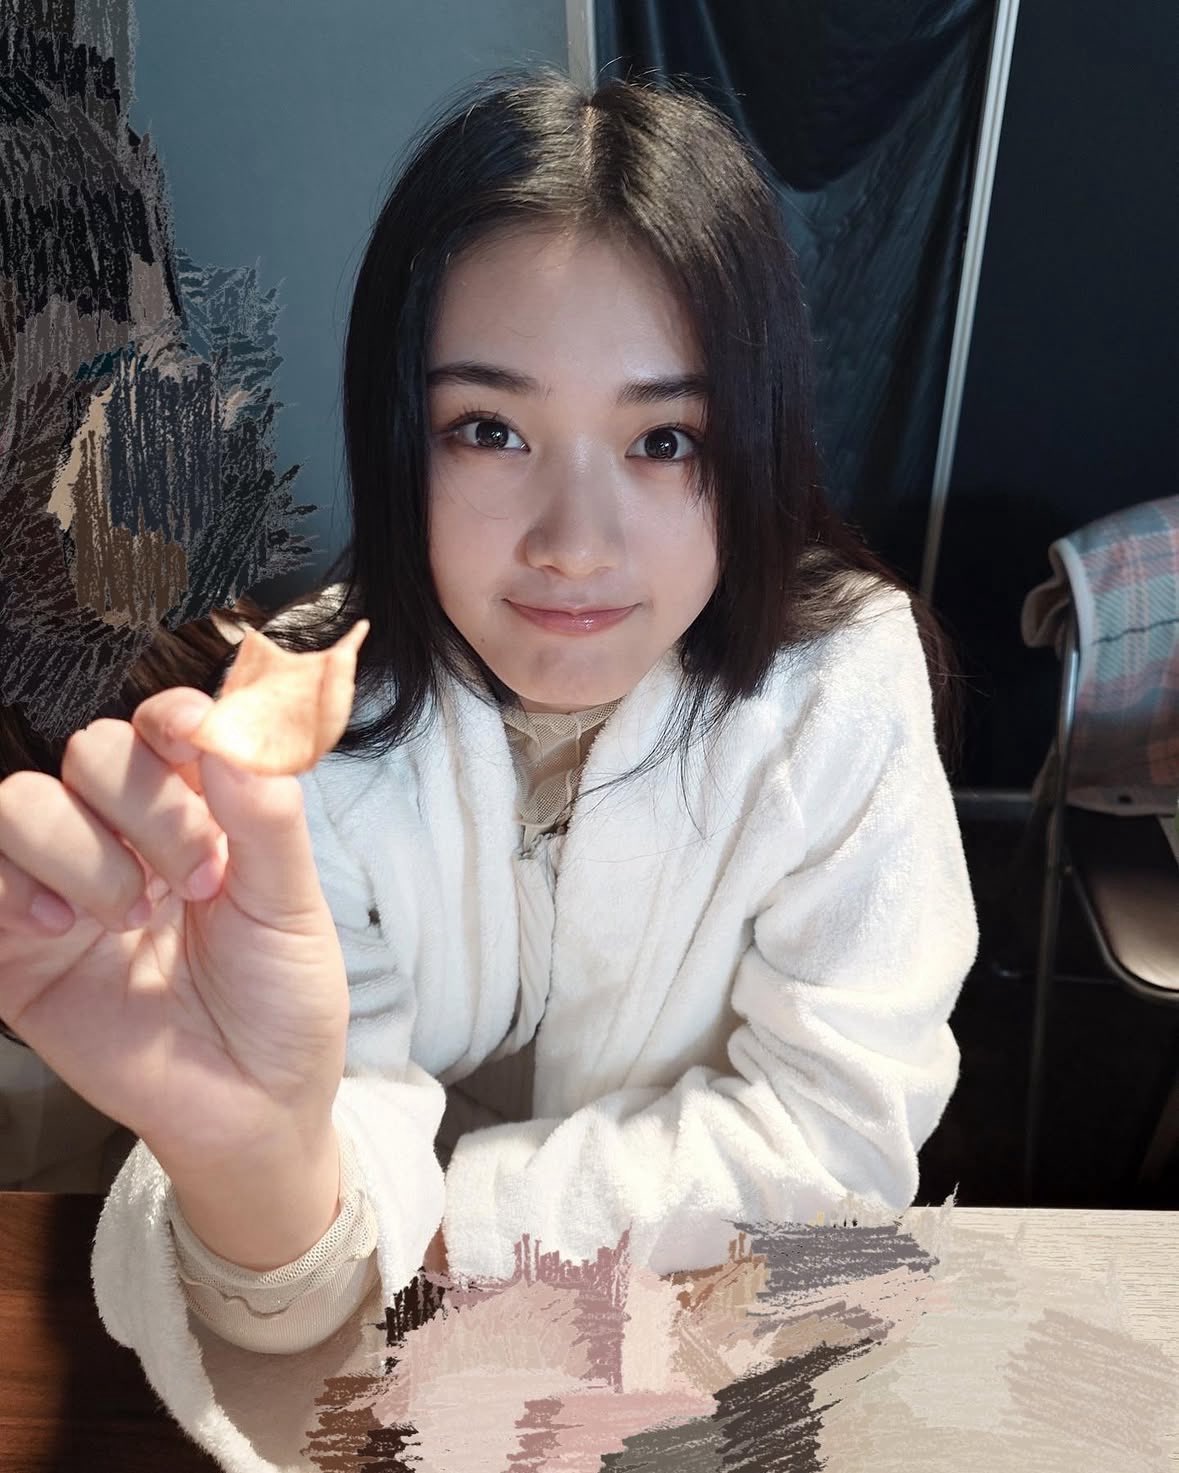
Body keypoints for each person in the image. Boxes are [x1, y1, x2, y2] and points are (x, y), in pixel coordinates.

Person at [0, 66, 978, 1469]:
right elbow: (301, 1269)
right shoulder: (303, 738)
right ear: (403, 434)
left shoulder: (839, 687)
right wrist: (260, 1161)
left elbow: (839, 1134)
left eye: (664, 440)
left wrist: (440, 1211)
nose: (575, 543)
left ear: (754, 441)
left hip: (733, 1358)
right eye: (492, 429)